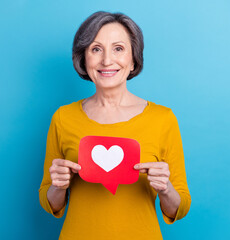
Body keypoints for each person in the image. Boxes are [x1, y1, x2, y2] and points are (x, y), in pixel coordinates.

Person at [39, 11, 191, 240]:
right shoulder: (63, 117)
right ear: (84, 58)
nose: (107, 60)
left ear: (133, 60)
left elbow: (179, 208)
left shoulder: (163, 119)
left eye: (118, 48)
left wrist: (165, 189)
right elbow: (49, 201)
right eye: (96, 49)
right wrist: (58, 186)